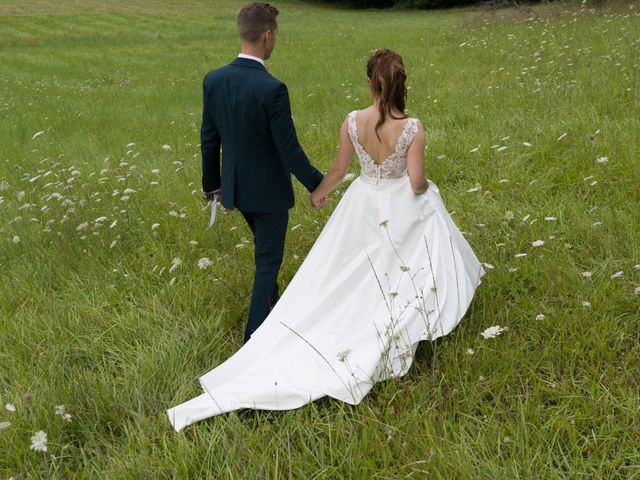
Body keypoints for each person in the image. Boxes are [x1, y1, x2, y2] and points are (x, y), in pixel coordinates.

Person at [168, 48, 485, 432]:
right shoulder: (413, 128)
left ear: (370, 82)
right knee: (413, 251)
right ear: (402, 83)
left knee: (348, 264)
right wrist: (425, 187)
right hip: (400, 201)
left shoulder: (353, 121)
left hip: (362, 202)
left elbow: (339, 169)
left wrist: (320, 191)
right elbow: (416, 183)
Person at [200, 2, 326, 345]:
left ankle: (278, 314)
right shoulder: (273, 89)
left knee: (265, 253)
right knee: (267, 264)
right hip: (269, 194)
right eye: (277, 35)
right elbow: (290, 151)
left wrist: (213, 186)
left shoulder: (214, 80)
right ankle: (252, 345)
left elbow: (208, 140)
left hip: (236, 190)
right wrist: (319, 184)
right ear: (267, 35)